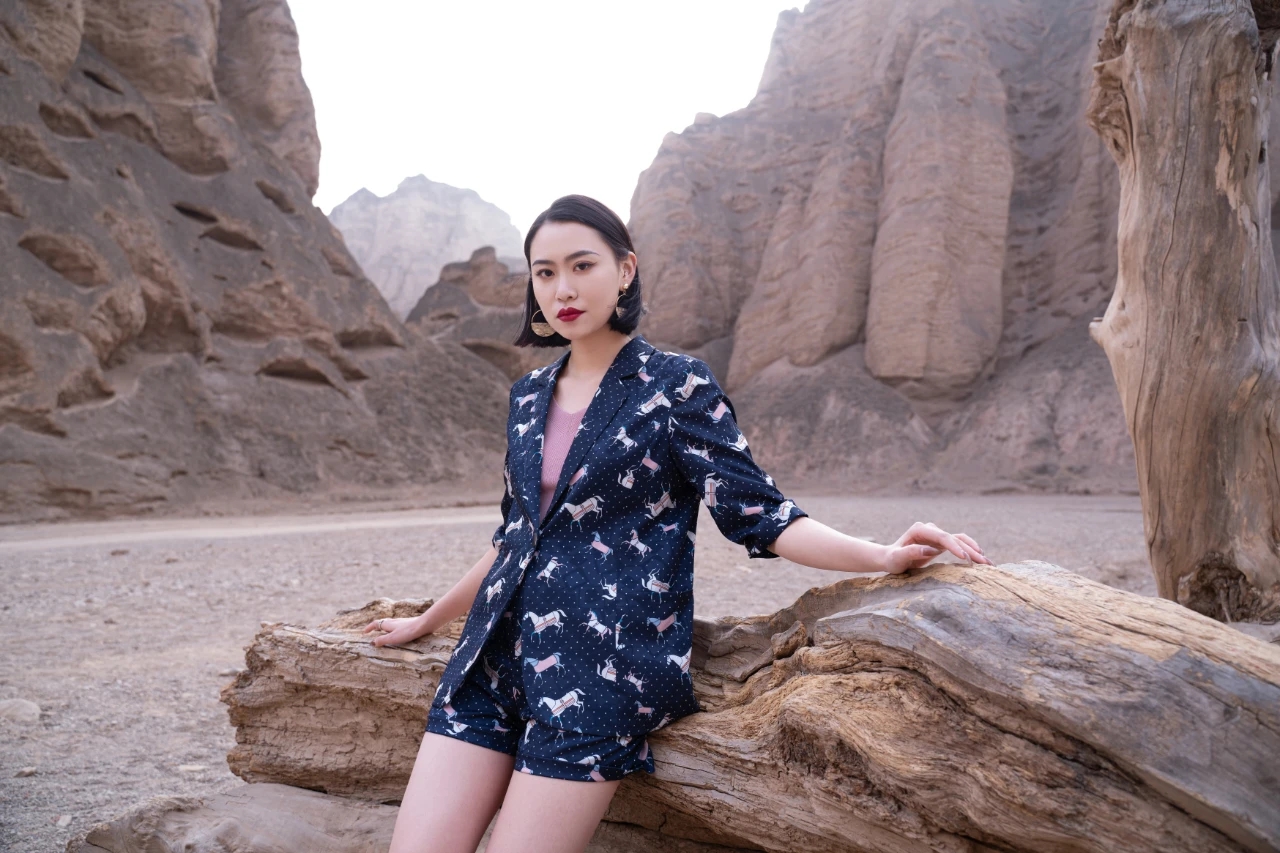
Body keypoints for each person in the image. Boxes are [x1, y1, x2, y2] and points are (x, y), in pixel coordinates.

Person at [364, 194, 993, 853]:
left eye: (582, 265)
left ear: (625, 270)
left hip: (599, 677)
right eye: (545, 272)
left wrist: (882, 554)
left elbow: (761, 513)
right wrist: (427, 620)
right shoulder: (527, 398)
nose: (563, 288)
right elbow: (516, 542)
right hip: (489, 662)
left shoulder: (676, 386)